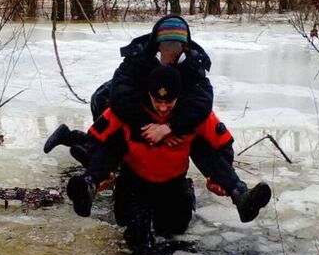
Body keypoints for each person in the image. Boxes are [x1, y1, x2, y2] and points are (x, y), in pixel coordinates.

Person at [67, 66, 272, 254]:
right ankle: (89, 185)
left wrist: (218, 178)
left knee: (172, 233)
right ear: (149, 94)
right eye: (158, 101)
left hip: (172, 184)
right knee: (137, 241)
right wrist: (104, 174)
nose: (163, 108)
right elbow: (95, 138)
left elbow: (223, 144)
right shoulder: (128, 110)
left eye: (169, 102)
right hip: (134, 183)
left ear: (179, 97)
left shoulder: (193, 114)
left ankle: (240, 194)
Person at [44, 15, 245, 200]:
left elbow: (202, 102)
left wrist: (171, 127)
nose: (171, 53)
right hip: (117, 100)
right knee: (114, 137)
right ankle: (81, 149)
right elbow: (121, 96)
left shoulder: (192, 63)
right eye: (167, 46)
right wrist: (150, 127)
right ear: (157, 46)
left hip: (160, 111)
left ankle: (74, 140)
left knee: (186, 134)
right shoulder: (139, 57)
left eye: (177, 47)